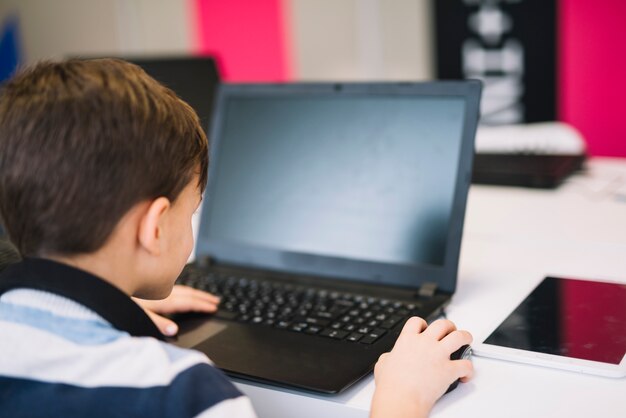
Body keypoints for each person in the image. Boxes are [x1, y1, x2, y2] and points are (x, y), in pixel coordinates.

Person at [0, 59, 473, 418]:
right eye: (193, 213)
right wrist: (402, 396)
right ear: (155, 227)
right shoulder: (183, 392)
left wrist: (106, 305)